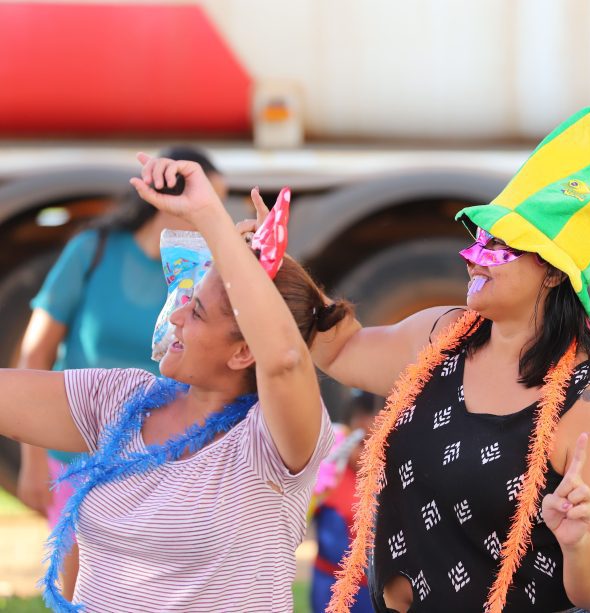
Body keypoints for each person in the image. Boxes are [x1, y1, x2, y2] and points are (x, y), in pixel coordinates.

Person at [309, 106, 590, 612]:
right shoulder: (441, 335)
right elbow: (337, 346)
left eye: (500, 247)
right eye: (478, 239)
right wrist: (259, 262)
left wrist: (577, 543)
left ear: (552, 273)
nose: (474, 256)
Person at [1, 153, 341, 611]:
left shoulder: (272, 445)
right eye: (187, 300)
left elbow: (282, 360)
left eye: (197, 311)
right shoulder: (122, 398)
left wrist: (210, 218)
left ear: (244, 351)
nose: (176, 316)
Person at [16, 146, 227, 598]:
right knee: (77, 586)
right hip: (75, 444)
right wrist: (33, 464)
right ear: (169, 199)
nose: (216, 215)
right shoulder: (92, 251)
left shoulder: (201, 278)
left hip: (151, 453)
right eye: (208, 198)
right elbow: (36, 352)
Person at [310, 392, 380, 613]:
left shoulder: (398, 471)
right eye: (359, 415)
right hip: (328, 587)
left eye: (372, 415)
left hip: (375, 593)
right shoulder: (330, 466)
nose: (365, 423)